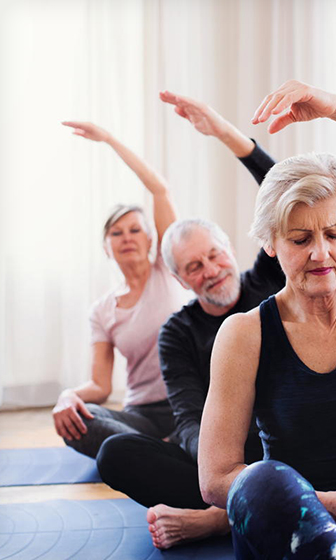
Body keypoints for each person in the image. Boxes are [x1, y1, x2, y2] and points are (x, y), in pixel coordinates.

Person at [198, 81, 336, 559]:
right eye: (299, 239)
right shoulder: (245, 333)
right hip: (293, 531)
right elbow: (215, 480)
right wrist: (331, 506)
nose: (321, 254)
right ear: (270, 243)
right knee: (264, 481)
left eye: (333, 233)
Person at [95, 91, 285, 550]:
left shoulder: (268, 277)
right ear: (180, 280)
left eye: (214, 256)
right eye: (194, 267)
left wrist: (224, 132)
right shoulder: (178, 333)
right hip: (220, 461)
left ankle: (218, 521)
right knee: (115, 453)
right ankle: (231, 506)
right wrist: (222, 471)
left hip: (285, 445)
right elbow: (188, 419)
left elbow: (279, 187)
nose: (211, 270)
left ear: (231, 250)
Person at [52, 121, 190, 458]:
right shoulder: (102, 310)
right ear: (106, 247)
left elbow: (160, 190)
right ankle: (162, 451)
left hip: (189, 403)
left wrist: (111, 140)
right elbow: (100, 386)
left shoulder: (167, 270)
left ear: (151, 239)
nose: (126, 237)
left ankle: (154, 452)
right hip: (140, 415)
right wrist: (68, 396)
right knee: (82, 421)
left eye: (134, 230)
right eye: (116, 233)